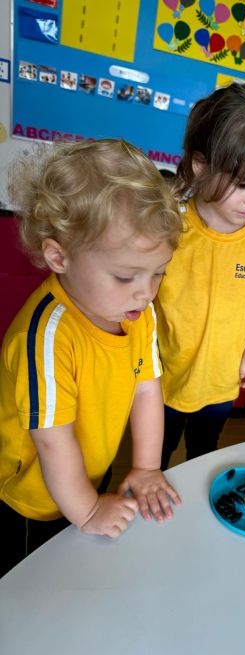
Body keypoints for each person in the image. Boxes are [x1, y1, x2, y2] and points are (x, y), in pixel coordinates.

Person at [0, 139, 183, 577]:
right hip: (33, 495)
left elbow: (147, 388)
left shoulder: (137, 312)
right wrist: (86, 510)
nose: (145, 292)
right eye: (125, 276)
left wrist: (146, 467)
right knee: (30, 577)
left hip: (88, 472)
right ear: (59, 256)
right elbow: (52, 440)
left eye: (158, 273)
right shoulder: (46, 338)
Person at [155, 83, 245, 469]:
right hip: (166, 378)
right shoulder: (170, 226)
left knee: (204, 452)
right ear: (201, 165)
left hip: (222, 380)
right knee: (154, 458)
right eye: (244, 183)